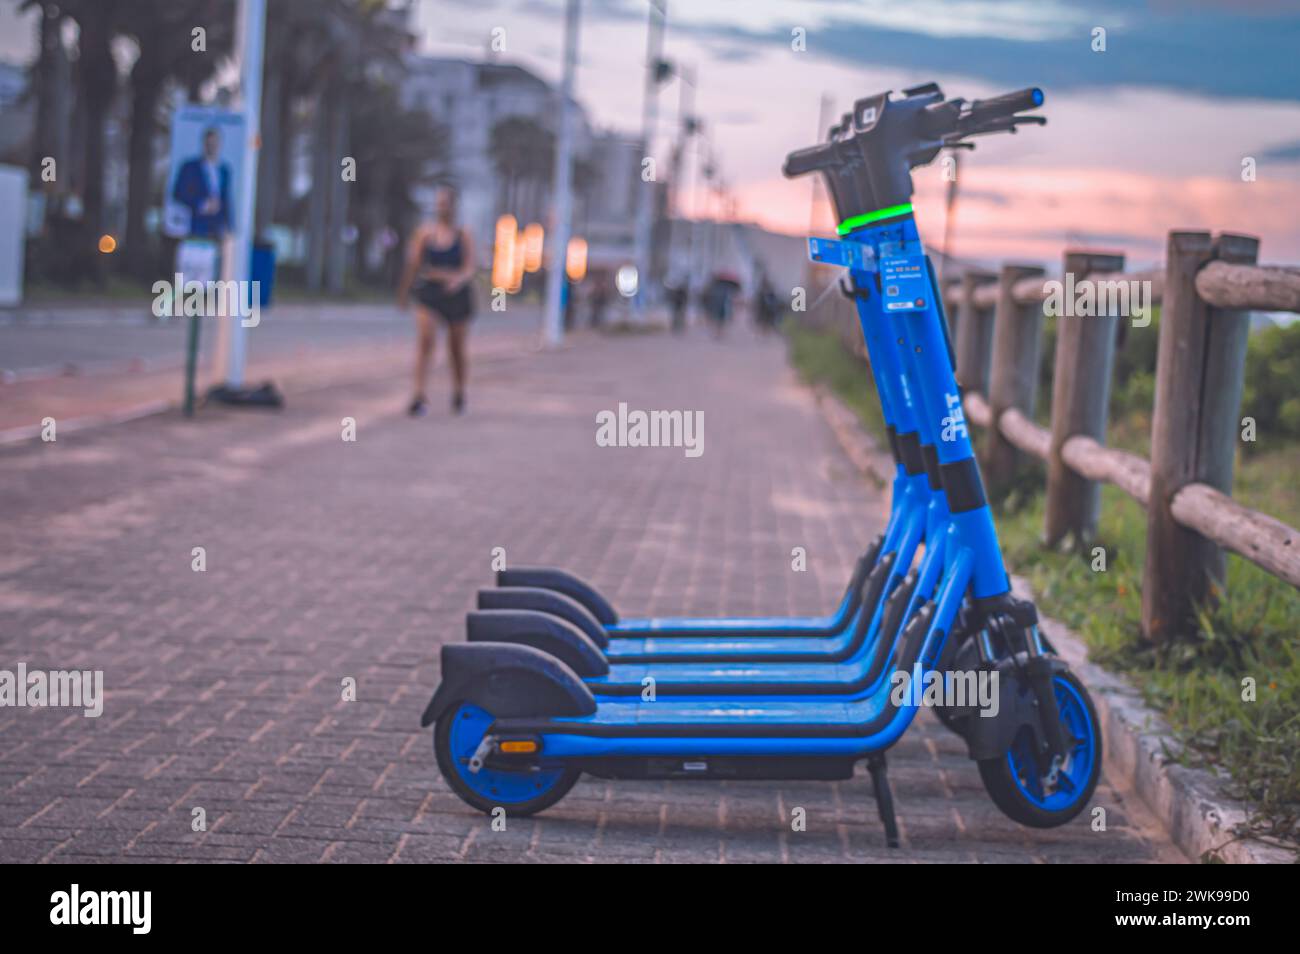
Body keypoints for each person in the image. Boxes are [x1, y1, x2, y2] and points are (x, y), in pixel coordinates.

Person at [398, 186, 477, 416]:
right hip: (430, 291)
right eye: (438, 202)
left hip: (457, 295)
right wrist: (403, 293)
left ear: (454, 205)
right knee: (426, 340)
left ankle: (459, 392)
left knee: (456, 348)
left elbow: (470, 266)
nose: (441, 207)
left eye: (445, 203)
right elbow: (413, 265)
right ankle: (419, 395)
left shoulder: (464, 234)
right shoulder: (425, 233)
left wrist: (458, 280)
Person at [172, 126, 232, 239]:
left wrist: (228, 227)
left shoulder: (224, 170)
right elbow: (178, 193)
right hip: (193, 226)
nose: (212, 148)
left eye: (214, 144)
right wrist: (201, 204)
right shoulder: (189, 167)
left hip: (216, 229)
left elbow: (226, 200)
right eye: (209, 144)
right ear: (203, 144)